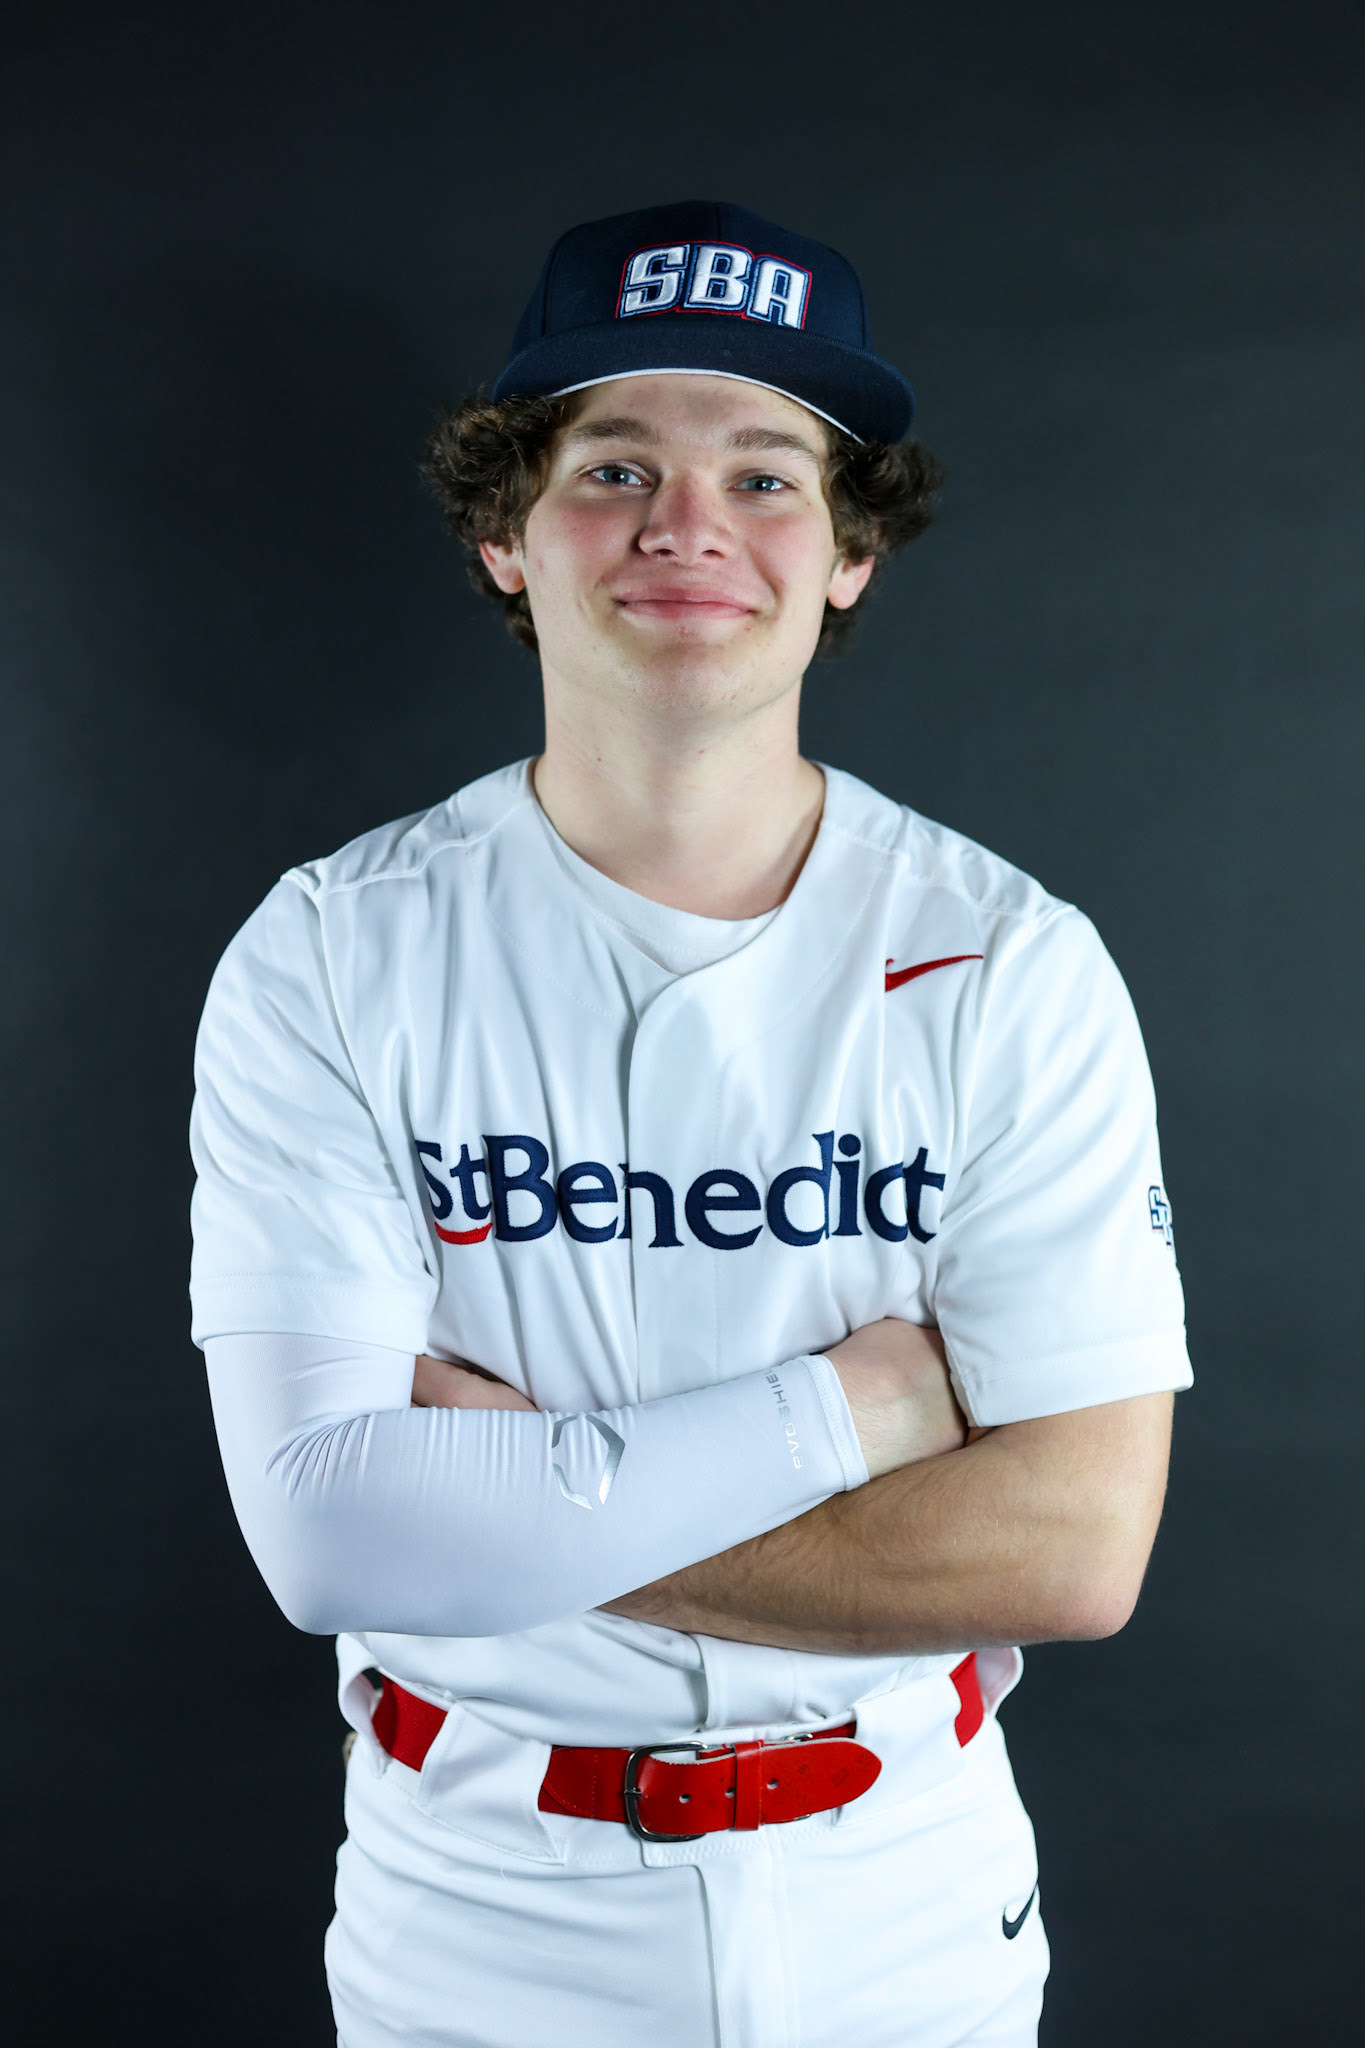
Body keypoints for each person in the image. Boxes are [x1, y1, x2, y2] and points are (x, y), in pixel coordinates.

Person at [189, 201, 1192, 2048]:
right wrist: (851, 1416)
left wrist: (506, 1493)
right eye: (612, 465)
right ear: (504, 533)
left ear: (848, 558)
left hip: (900, 1895)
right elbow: (330, 1542)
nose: (688, 525)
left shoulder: (1007, 960)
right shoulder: (331, 948)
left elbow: (1066, 1552)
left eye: (766, 474)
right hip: (477, 1899)